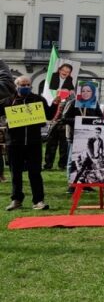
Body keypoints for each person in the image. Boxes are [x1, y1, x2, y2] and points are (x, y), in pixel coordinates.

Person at [4, 76, 55, 210]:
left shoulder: (38, 99)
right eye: (23, 85)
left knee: (35, 173)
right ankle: (16, 200)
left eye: (28, 85)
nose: (26, 87)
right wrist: (7, 121)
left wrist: (55, 104)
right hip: (14, 143)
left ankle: (38, 201)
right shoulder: (9, 101)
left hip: (34, 143)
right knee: (15, 173)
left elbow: (49, 115)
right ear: (17, 86)